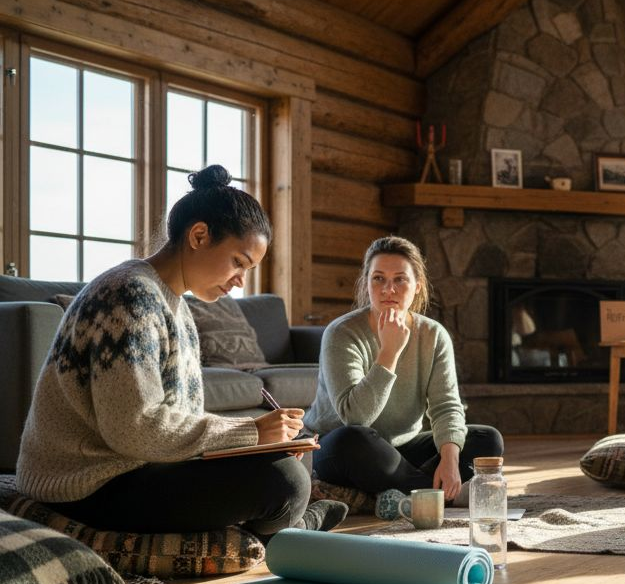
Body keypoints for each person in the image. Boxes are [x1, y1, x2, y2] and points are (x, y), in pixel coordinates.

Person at [17, 165, 346, 537]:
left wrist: (257, 445)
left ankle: (287, 524)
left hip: (135, 467)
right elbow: (135, 429)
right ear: (199, 235)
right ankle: (294, 527)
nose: (240, 281)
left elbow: (175, 424)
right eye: (239, 262)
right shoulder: (129, 295)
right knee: (285, 482)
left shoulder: (176, 307)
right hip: (86, 485)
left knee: (283, 465)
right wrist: (250, 432)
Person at [304, 236, 504, 503]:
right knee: (353, 440)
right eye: (378, 278)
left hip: (398, 450)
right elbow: (356, 417)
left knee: (486, 439)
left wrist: (449, 458)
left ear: (417, 286)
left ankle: (399, 491)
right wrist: (389, 353)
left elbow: (446, 406)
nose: (389, 289)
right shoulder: (341, 333)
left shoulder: (433, 335)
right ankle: (440, 497)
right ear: (366, 283)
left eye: (400, 279)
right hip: (339, 448)